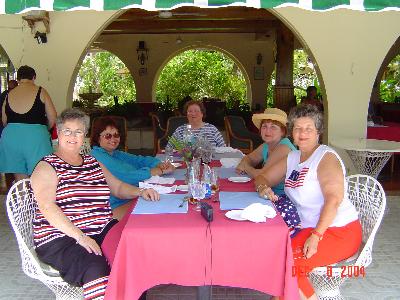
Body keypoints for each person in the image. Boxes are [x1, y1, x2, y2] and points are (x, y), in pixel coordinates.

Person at [31, 108, 159, 300]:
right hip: (62, 237)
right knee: (96, 267)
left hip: (100, 228)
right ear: (58, 133)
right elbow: (47, 207)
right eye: (68, 131)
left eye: (79, 131)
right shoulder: (47, 166)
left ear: (85, 135)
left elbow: (117, 188)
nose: (73, 136)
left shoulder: (92, 163)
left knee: (132, 257)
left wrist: (141, 192)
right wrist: (81, 237)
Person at [254, 104, 361, 300]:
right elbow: (263, 177)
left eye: (308, 129)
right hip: (306, 227)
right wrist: (263, 188)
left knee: (290, 265)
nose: (302, 133)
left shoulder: (325, 157)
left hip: (337, 230)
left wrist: (316, 235)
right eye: (298, 128)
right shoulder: (293, 157)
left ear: (318, 132)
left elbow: (333, 199)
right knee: (274, 258)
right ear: (292, 132)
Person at [90, 116, 175, 219]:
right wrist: (159, 171)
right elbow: (127, 177)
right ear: (97, 137)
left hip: (131, 197)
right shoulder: (97, 156)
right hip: (114, 206)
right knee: (160, 211)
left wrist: (158, 164)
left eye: (116, 135)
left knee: (166, 203)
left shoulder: (115, 153)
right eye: (108, 136)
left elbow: (139, 160)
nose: (113, 139)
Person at [0, 66, 57, 181]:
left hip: (11, 137)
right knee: (40, 177)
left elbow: (4, 120)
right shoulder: (41, 91)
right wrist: (45, 129)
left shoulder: (8, 95)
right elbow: (53, 117)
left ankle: (23, 198)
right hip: (36, 136)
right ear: (34, 77)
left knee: (20, 180)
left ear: (18, 78)